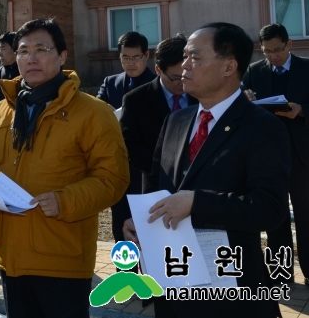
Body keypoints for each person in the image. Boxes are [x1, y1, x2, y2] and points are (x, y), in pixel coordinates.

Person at [0, 18, 129, 318]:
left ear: (62, 56)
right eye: (23, 51)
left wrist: (65, 200)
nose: (31, 58)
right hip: (10, 255)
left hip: (61, 257)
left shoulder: (93, 113)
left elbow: (112, 178)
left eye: (42, 49)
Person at [124, 23, 290, 317]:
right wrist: (141, 218)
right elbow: (155, 182)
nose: (184, 65)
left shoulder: (263, 127)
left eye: (195, 58)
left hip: (232, 290)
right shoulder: (176, 121)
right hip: (174, 284)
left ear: (229, 67)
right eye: (185, 57)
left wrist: (196, 203)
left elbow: (269, 208)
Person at [242, 23, 309, 284]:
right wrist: (246, 99)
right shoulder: (254, 71)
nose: (273, 56)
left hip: (302, 156)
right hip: (268, 156)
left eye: (278, 50)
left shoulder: (307, 68)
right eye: (267, 51)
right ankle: (281, 273)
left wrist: (301, 109)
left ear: (289, 44)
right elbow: (242, 101)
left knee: (305, 215)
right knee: (275, 215)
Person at [114, 34, 197, 244]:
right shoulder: (136, 100)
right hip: (150, 188)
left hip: (194, 190)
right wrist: (167, 169)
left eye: (187, 74)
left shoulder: (201, 95)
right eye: (176, 78)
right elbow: (130, 146)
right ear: (159, 70)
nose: (183, 82)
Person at [97, 32, 157, 109]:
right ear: (119, 56)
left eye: (136, 57)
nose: (130, 63)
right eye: (125, 57)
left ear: (147, 55)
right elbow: (96, 110)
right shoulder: (110, 83)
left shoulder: (159, 84)